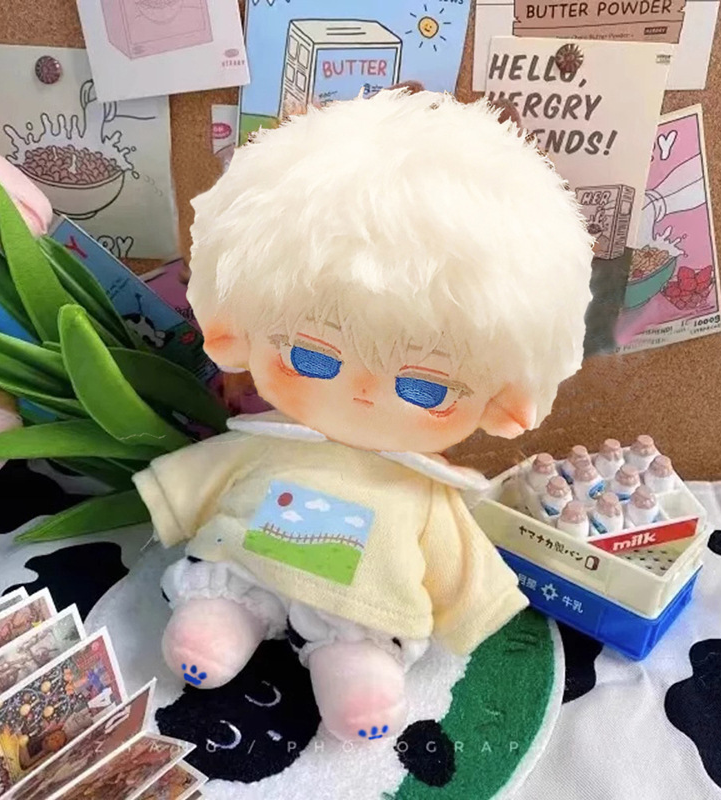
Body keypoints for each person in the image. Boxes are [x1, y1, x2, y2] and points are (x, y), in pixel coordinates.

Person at [133, 88, 594, 741]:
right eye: (314, 358)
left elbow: (461, 565)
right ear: (239, 330)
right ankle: (226, 619)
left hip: (363, 606)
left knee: (360, 655)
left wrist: (480, 610)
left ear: (501, 402)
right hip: (246, 565)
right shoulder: (267, 443)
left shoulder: (424, 492)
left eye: (425, 388)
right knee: (217, 609)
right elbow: (202, 477)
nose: (365, 394)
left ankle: (355, 666)